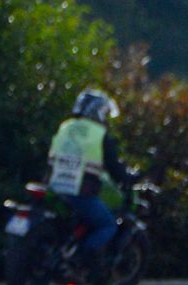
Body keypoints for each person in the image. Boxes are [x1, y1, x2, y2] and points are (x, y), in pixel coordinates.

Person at [46, 88, 140, 274]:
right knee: (107, 225)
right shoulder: (99, 134)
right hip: (80, 191)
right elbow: (114, 167)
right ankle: (79, 259)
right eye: (104, 112)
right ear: (97, 111)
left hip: (54, 187)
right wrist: (129, 178)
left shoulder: (66, 126)